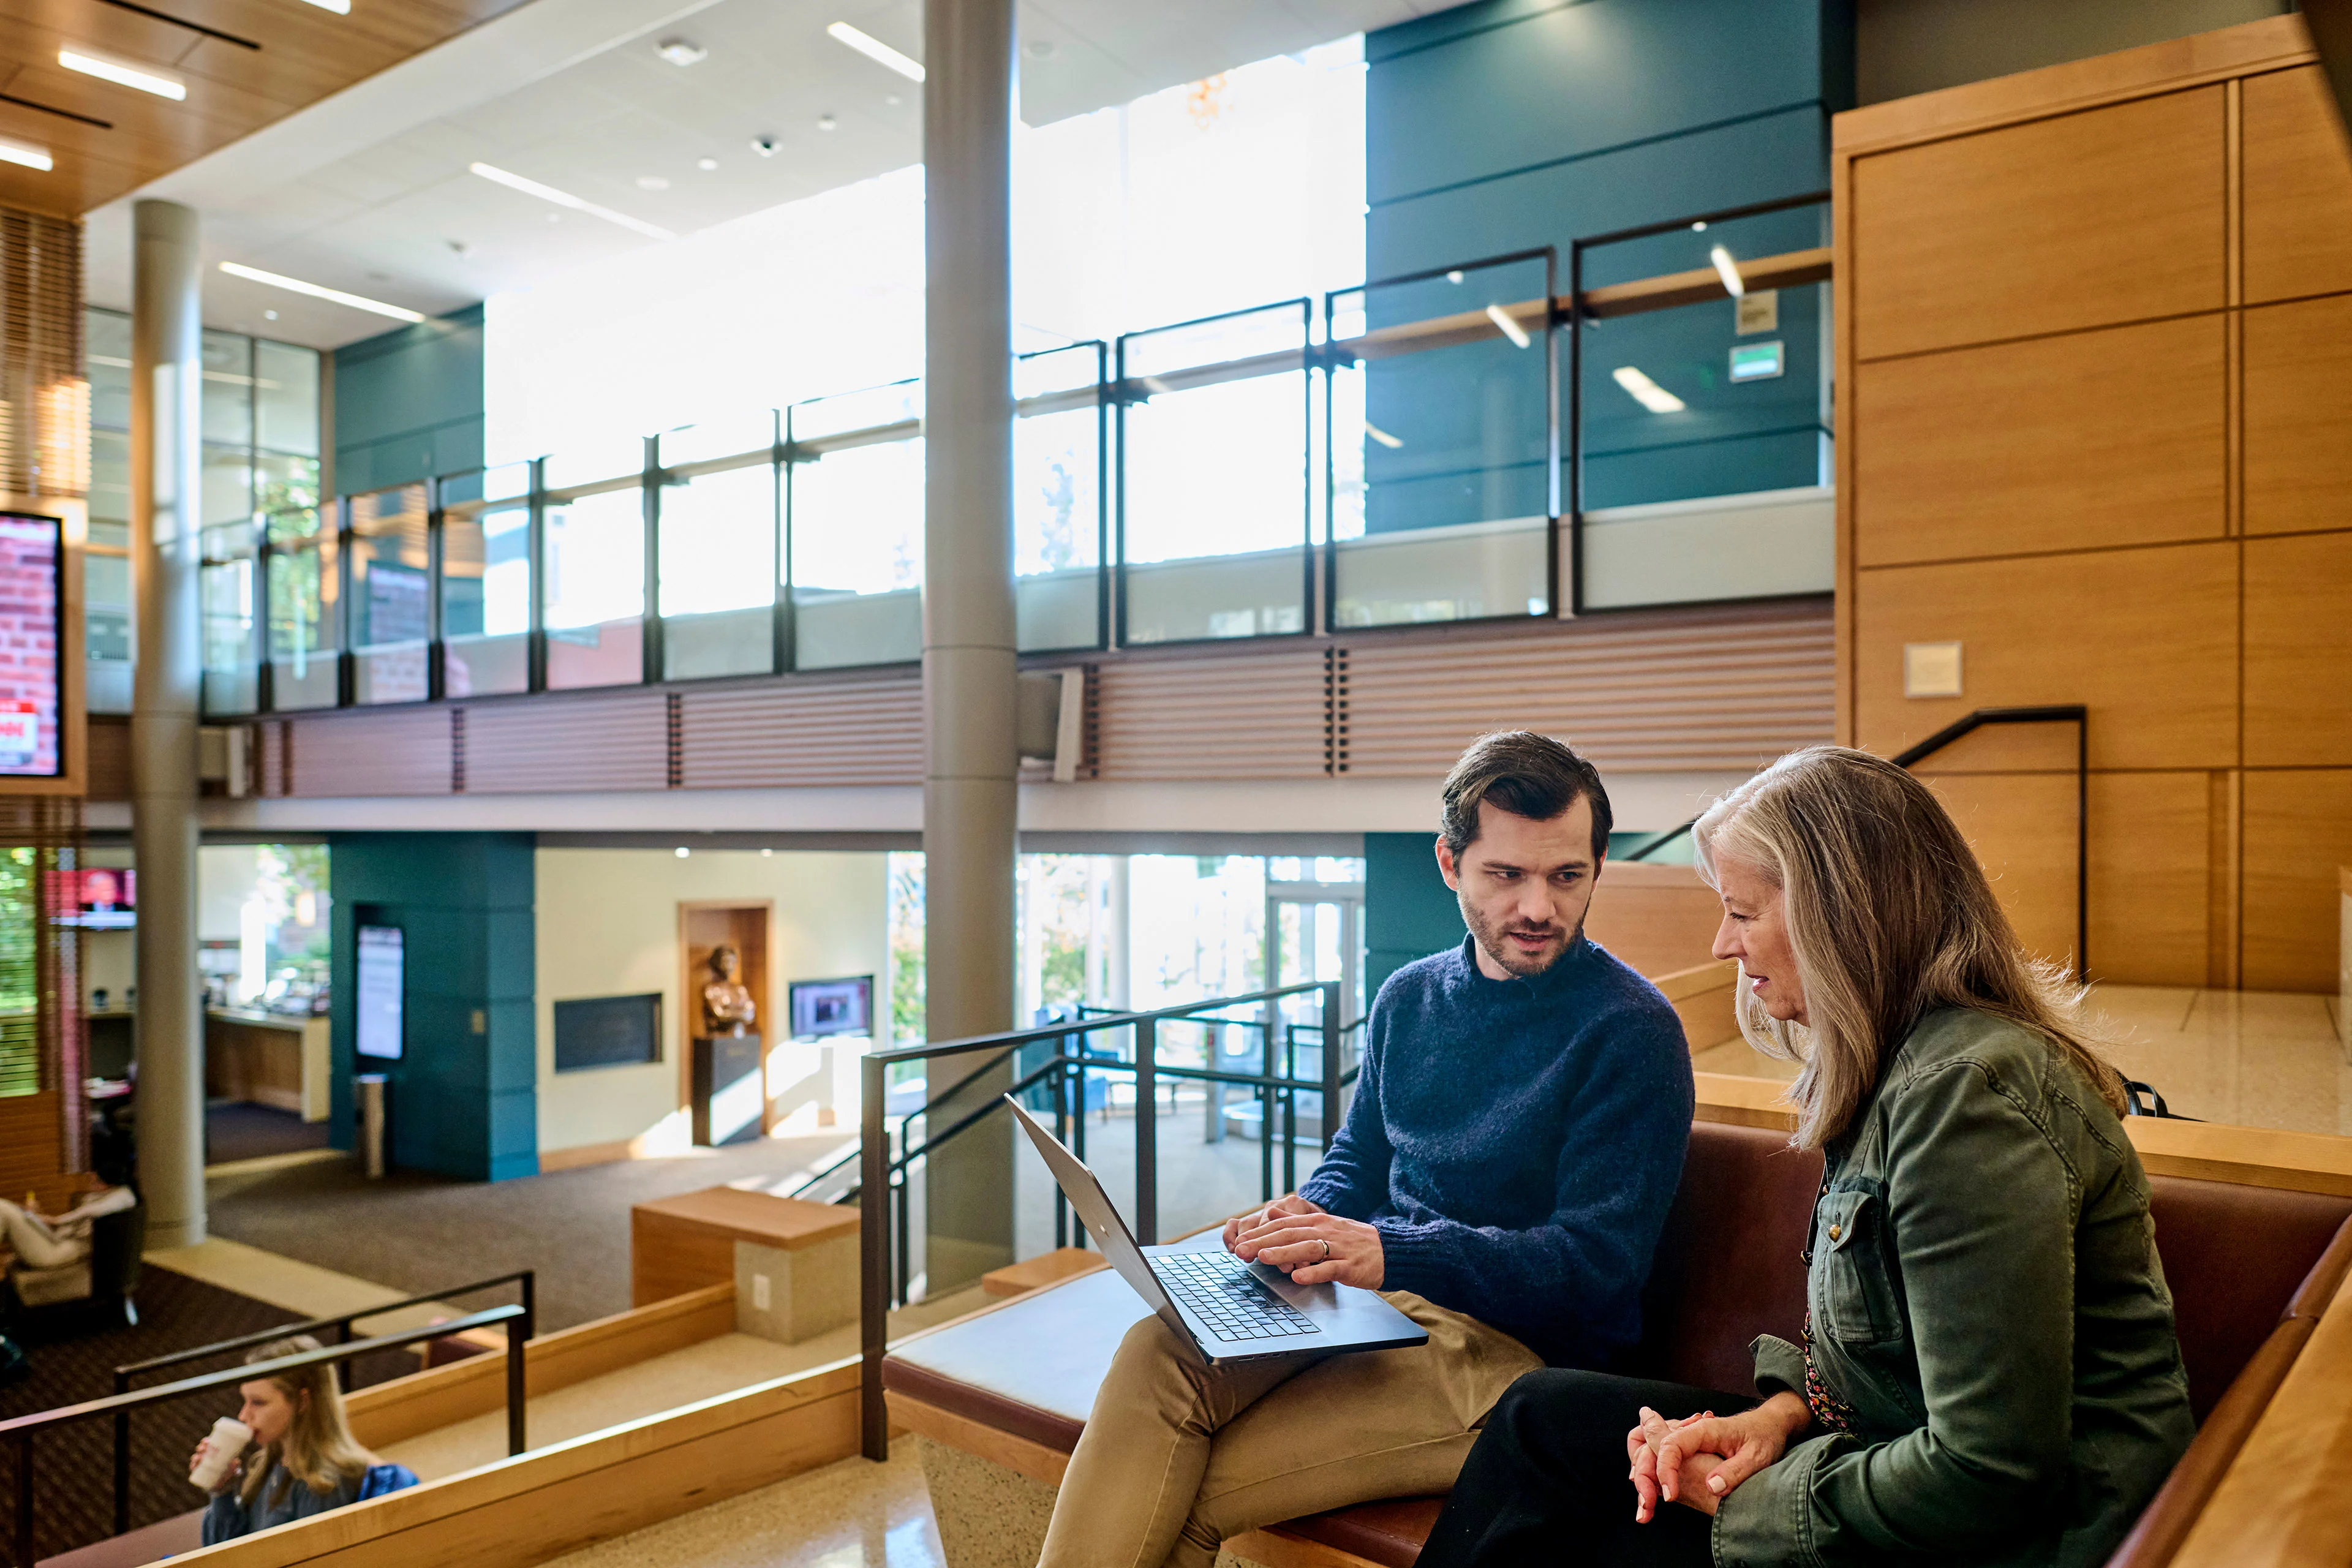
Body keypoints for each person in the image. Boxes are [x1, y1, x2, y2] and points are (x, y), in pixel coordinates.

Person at [1419, 745, 2195, 1568]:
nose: (1722, 944)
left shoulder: (1968, 1095)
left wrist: (1746, 1500)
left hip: (2025, 1535)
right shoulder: (1904, 1063)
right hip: (1889, 1455)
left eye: (1743, 913)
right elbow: (1896, 1357)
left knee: (1582, 1513)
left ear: (1840, 916)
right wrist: (1781, 1414)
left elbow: (1989, 1471)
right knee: (1542, 1415)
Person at [1037, 731, 1695, 1568]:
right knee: (1157, 1352)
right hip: (1377, 1308)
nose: (1539, 907)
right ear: (1450, 865)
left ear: (1599, 863)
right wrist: (1306, 1219)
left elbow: (1594, 1269)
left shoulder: (1631, 1032)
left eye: (1567, 876)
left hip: (1512, 1358)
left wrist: (1389, 1250)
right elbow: (1360, 1159)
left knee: (1185, 1493)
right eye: (1507, 875)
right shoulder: (1409, 998)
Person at [191, 1335, 419, 1544]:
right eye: (246, 1401)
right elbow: (226, 1549)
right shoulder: (273, 1459)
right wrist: (221, 1490)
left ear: (302, 1402)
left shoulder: (322, 1484)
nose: (243, 1415)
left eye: (258, 1403)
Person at [0, 1183, 135, 1303]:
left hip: (56, 1253)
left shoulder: (120, 1197)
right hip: (56, 1243)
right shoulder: (97, 1197)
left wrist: (56, 1220)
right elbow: (59, 1229)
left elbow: (93, 1211)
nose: (90, 1176)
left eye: (96, 1176)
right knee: (4, 1208)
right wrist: (33, 1214)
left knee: (3, 1209)